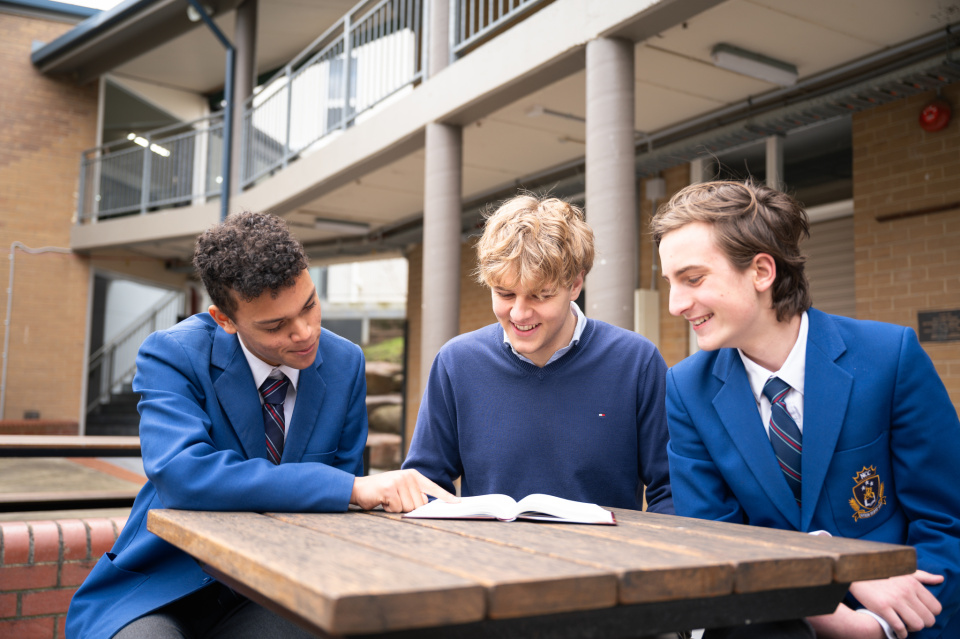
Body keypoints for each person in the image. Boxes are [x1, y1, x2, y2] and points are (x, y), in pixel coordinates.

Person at [67, 212, 454, 639]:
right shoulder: (173, 354)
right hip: (163, 582)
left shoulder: (345, 363)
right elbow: (182, 475)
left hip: (277, 589)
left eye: (309, 305)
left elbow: (338, 504)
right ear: (224, 320)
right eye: (275, 325)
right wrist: (348, 489)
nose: (304, 333)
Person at [653, 180, 960, 639]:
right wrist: (834, 572)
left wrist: (876, 627)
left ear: (761, 271)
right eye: (669, 283)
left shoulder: (889, 357)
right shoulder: (686, 389)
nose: (676, 305)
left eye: (693, 279)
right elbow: (712, 542)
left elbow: (946, 523)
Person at [402, 194, 673, 514]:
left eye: (540, 296)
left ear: (575, 284)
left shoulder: (636, 362)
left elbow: (670, 490)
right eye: (505, 294)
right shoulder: (456, 363)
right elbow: (424, 484)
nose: (519, 313)